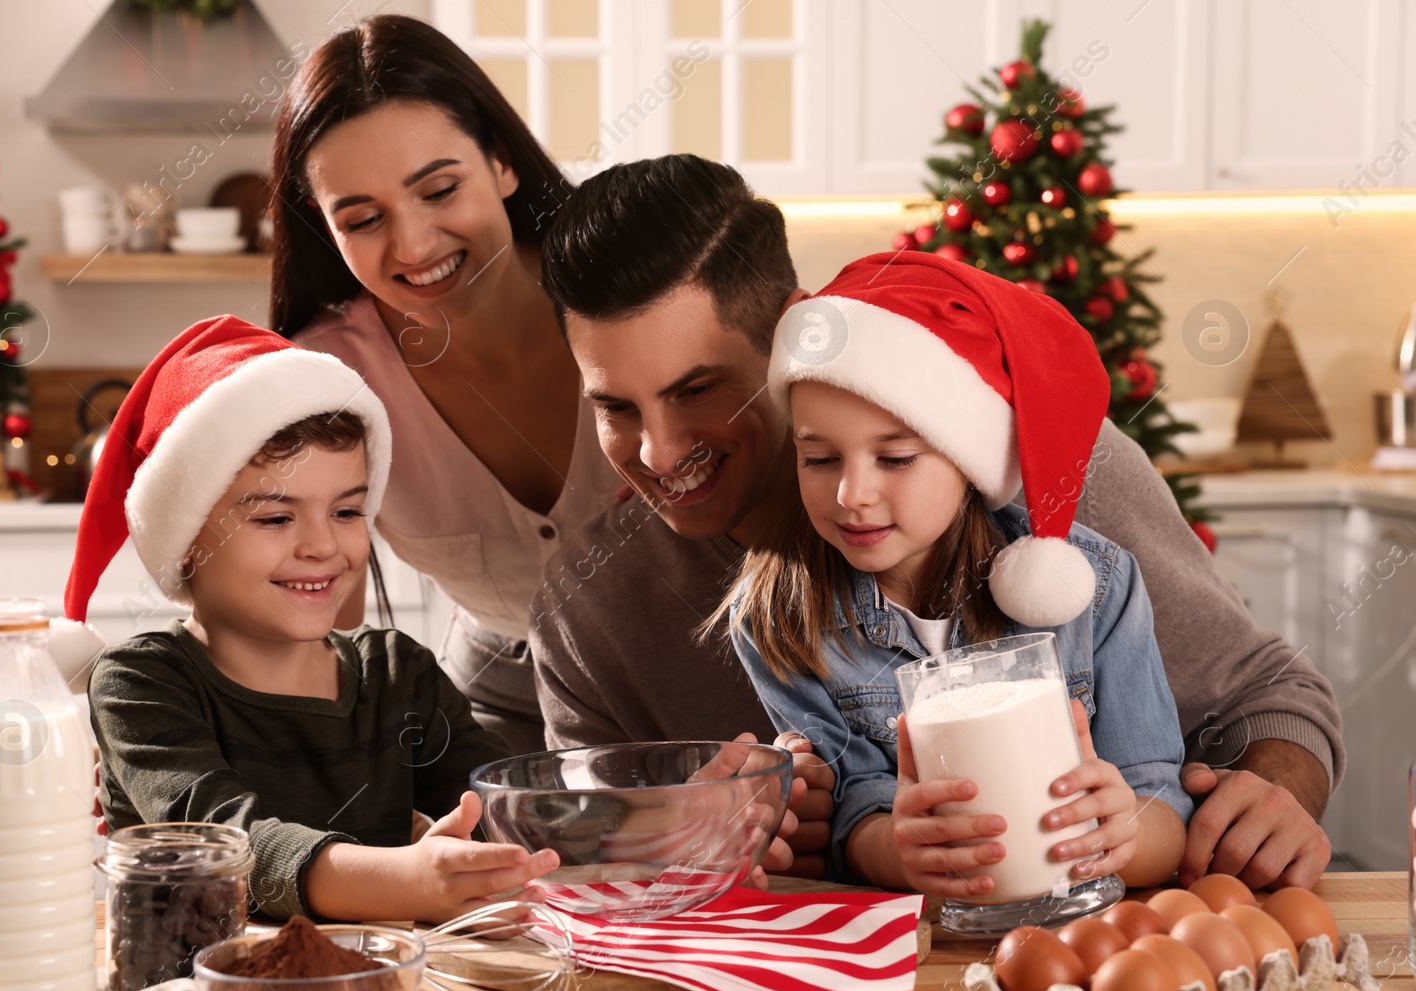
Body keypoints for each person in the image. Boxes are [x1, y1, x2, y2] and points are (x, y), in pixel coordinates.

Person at [532, 153, 1342, 890]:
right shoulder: (589, 609)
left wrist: (1269, 793)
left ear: (796, 331)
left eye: (695, 390)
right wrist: (711, 833)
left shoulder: (1039, 469)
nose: (660, 450)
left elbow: (1270, 693)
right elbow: (585, 863)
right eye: (614, 406)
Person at [720, 251, 1191, 893]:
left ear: (969, 456)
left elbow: (1159, 799)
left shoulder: (1096, 588)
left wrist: (1128, 833)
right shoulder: (781, 615)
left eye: (896, 458)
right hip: (924, 949)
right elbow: (845, 813)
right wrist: (895, 849)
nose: (851, 494)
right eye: (820, 458)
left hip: (1075, 930)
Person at [65, 316, 556, 923]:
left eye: (348, 511)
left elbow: (500, 809)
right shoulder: (141, 684)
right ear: (188, 540)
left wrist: (642, 811)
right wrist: (406, 880)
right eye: (276, 518)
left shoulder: (397, 675)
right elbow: (227, 845)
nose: (323, 546)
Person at [268, 14, 618, 756]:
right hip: (492, 713)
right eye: (362, 218)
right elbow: (318, 619)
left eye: (439, 189)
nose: (415, 245)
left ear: (500, 161)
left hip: (711, 682)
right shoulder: (328, 379)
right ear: (324, 227)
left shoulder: (632, 291)